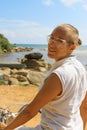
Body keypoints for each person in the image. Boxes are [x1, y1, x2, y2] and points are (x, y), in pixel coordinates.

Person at [1, 23, 87, 130]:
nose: (51, 43)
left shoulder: (59, 74)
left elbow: (29, 112)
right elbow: (84, 106)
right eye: (51, 38)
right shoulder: (80, 68)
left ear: (72, 47)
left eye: (60, 41)